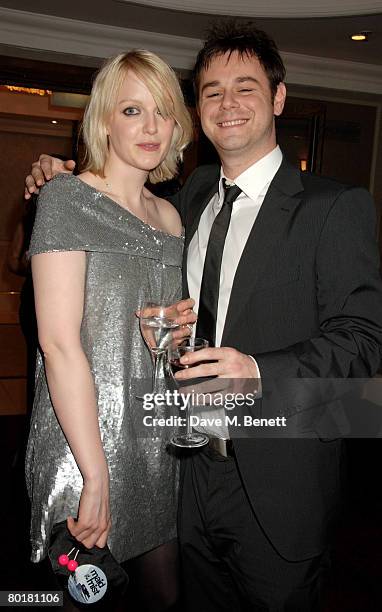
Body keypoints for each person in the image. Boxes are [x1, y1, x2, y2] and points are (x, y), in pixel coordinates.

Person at [25, 22, 382, 612]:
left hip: (279, 481)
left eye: (246, 87)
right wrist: (56, 177)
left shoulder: (335, 207)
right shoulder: (188, 199)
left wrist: (259, 373)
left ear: (279, 98)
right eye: (212, 91)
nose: (228, 103)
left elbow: (366, 349)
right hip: (180, 470)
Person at [24, 49, 193, 611]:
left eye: (163, 111)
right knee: (79, 600)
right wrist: (95, 475)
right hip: (84, 445)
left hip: (151, 440)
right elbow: (59, 344)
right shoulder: (66, 198)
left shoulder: (170, 218)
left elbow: (165, 340)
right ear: (103, 120)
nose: (150, 127)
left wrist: (166, 338)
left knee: (163, 596)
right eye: (131, 110)